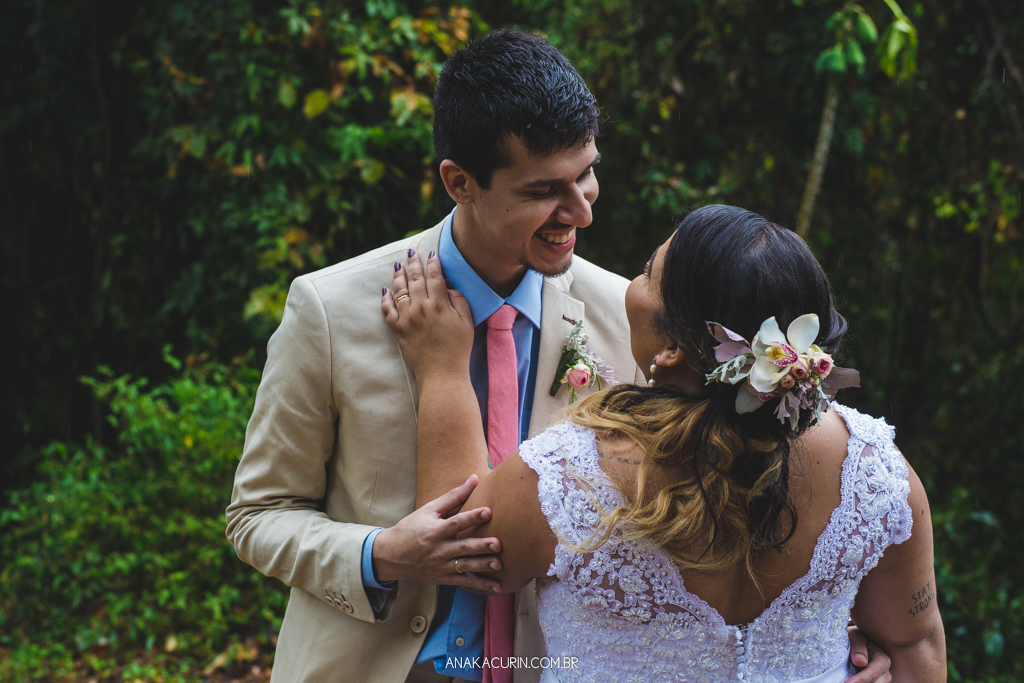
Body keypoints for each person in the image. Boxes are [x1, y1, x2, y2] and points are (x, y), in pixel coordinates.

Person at [226, 29, 892, 683]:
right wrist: (377, 554)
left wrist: (829, 626)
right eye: (545, 189)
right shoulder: (330, 310)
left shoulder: (638, 323)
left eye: (588, 173)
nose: (581, 210)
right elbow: (257, 513)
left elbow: (720, 494)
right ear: (460, 182)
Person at [382, 204, 946, 682]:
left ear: (673, 348)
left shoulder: (576, 477)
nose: (634, 280)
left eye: (649, 272)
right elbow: (915, 647)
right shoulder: (872, 473)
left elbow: (455, 543)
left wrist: (443, 373)